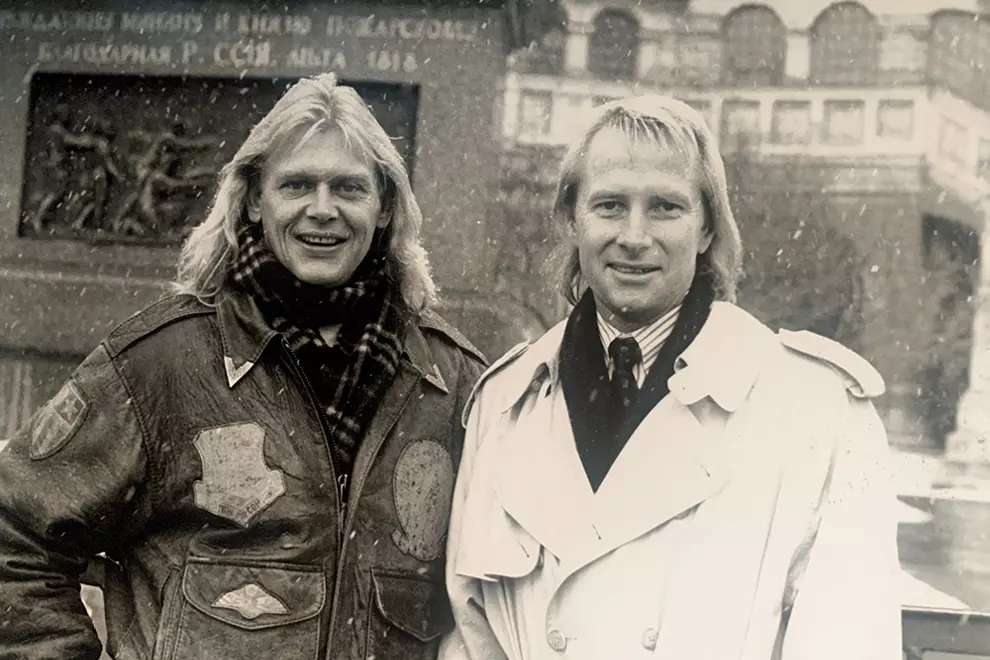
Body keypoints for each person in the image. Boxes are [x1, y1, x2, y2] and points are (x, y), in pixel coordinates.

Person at [0, 72, 486, 660]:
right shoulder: (161, 364)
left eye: (350, 189)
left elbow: (499, 603)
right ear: (255, 199)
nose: (322, 209)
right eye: (297, 185)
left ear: (385, 208)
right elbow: (15, 534)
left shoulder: (453, 383)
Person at [440, 95, 900, 660]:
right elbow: (470, 637)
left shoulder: (816, 410)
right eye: (609, 205)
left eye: (665, 207)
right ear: (570, 221)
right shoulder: (504, 403)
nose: (634, 236)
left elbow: (847, 639)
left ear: (707, 228)